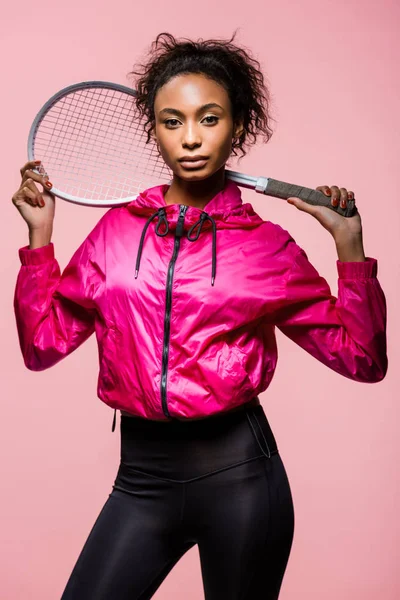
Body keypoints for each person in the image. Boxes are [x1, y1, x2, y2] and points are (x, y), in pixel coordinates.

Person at [12, 31, 387, 600]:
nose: (190, 138)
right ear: (153, 130)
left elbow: (362, 360)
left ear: (237, 125)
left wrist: (350, 249)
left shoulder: (267, 247)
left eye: (209, 119)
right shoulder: (114, 234)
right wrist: (40, 242)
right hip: (140, 479)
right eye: (171, 121)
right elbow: (41, 347)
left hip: (240, 479)